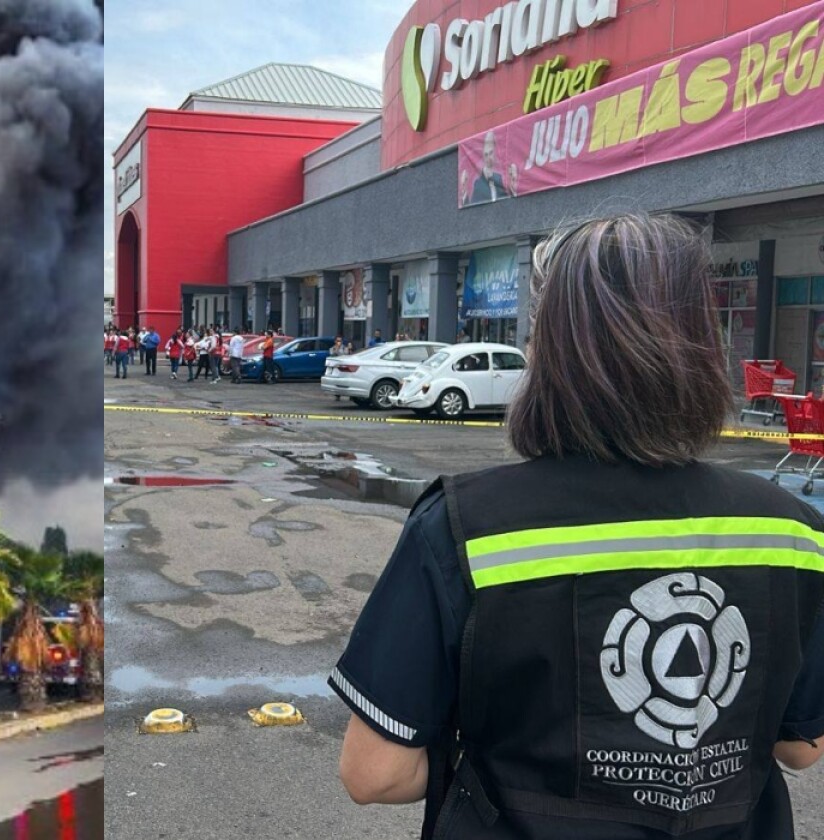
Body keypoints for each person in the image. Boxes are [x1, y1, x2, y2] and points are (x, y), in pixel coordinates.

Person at [331, 214, 824, 839]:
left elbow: (374, 773)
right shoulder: (792, 531)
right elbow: (801, 746)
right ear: (703, 348)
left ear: (550, 356)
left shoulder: (464, 528)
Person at [460, 129, 518, 207]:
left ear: (495, 151)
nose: (488, 158)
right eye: (486, 154)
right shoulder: (478, 184)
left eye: (491, 153)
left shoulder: (499, 178)